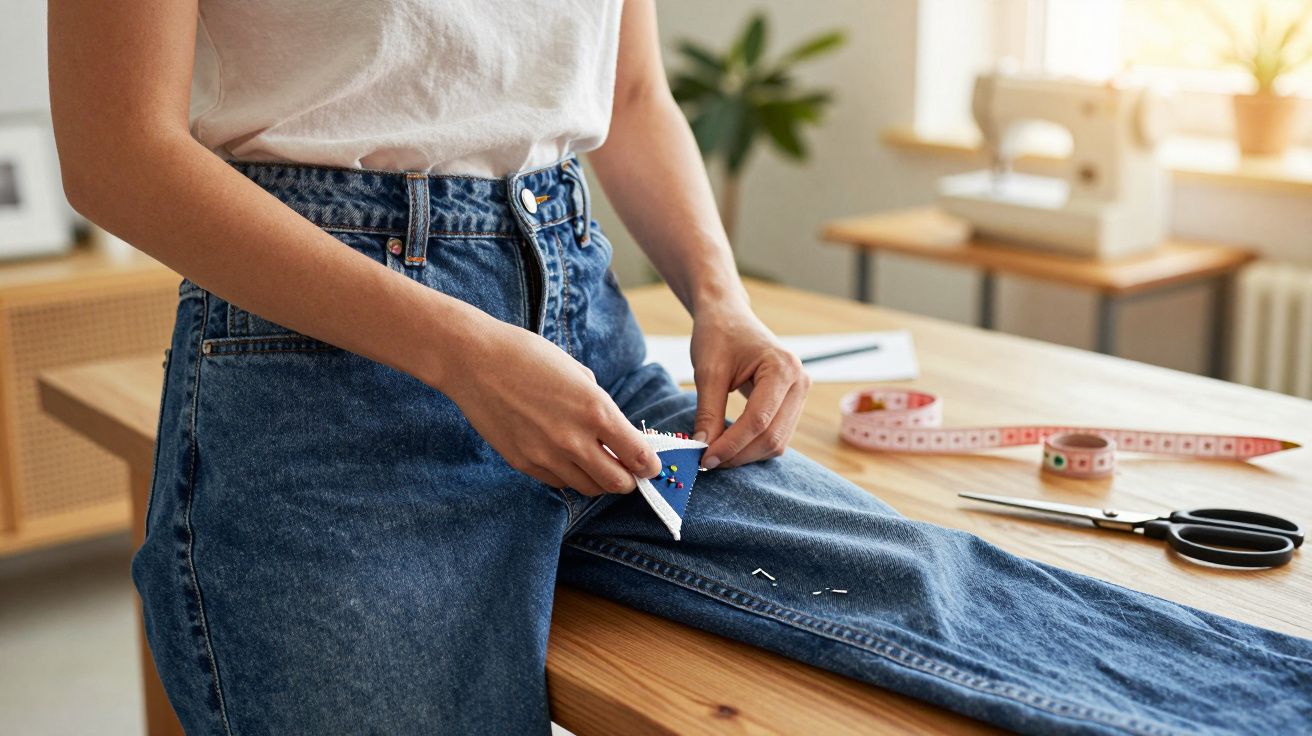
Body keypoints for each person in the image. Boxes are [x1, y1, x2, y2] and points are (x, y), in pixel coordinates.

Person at [49, 1, 1311, 734]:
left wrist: (721, 297)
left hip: (588, 336)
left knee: (950, 596)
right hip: (326, 370)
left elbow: (635, 91)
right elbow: (117, 154)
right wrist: (459, 349)